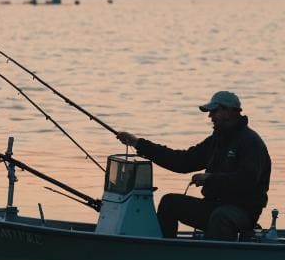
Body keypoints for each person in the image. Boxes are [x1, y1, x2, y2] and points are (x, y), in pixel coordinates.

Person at [116, 91, 271, 240]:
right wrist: (139, 144)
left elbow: (246, 181)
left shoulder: (251, 142)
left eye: (214, 111)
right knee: (170, 203)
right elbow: (182, 161)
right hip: (214, 206)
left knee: (221, 217)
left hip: (243, 211)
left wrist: (210, 179)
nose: (210, 116)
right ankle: (164, 253)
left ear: (229, 112)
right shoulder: (216, 140)